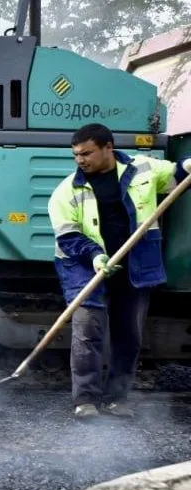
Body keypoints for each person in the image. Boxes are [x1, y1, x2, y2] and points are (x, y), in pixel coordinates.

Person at [49, 123, 190, 420]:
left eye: (87, 153)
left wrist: (188, 165)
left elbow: (175, 174)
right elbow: (68, 236)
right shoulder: (66, 191)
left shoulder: (143, 169)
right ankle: (85, 400)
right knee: (88, 331)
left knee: (129, 334)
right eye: (76, 155)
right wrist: (96, 256)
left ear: (108, 148)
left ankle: (116, 398)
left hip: (134, 264)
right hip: (84, 267)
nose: (81, 160)